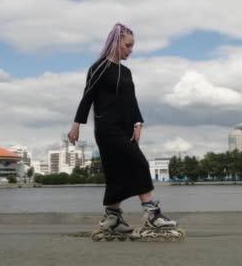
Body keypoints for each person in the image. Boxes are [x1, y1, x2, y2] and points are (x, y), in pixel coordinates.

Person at [67, 22, 177, 236]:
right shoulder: (98, 68)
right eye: (127, 45)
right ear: (116, 43)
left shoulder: (126, 72)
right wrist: (76, 126)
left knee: (116, 174)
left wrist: (138, 122)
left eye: (132, 46)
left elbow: (131, 100)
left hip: (126, 129)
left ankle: (113, 218)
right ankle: (152, 214)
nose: (130, 50)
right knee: (140, 163)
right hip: (107, 129)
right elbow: (87, 97)